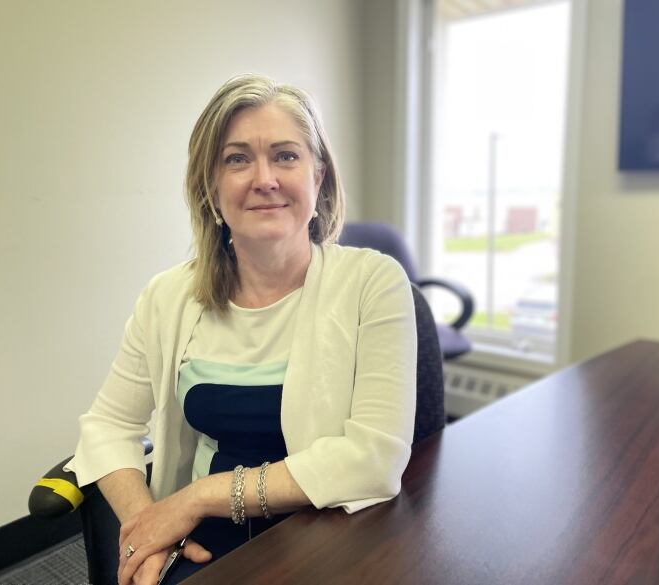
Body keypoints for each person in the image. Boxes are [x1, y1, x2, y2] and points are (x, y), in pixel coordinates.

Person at [65, 73, 417, 585]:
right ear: (210, 187)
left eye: (286, 156)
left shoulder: (372, 282)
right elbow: (108, 427)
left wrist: (199, 497)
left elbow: (374, 459)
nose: (264, 178)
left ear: (319, 179)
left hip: (331, 536)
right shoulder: (168, 297)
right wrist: (149, 529)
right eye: (237, 159)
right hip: (202, 546)